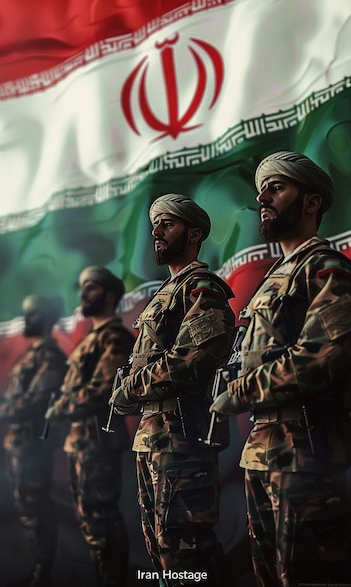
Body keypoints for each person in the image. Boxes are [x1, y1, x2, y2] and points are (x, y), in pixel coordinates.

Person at [211, 151, 351, 587]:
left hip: (305, 456)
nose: (263, 200)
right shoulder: (275, 277)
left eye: (276, 188)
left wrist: (237, 393)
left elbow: (319, 359)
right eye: (260, 193)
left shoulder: (326, 269)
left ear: (312, 203)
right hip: (262, 453)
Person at [110, 193, 236, 587]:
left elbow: (193, 360)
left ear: (194, 232)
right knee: (161, 548)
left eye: (168, 224)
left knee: (187, 550)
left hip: (182, 439)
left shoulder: (202, 288)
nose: (156, 232)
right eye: (155, 225)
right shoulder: (162, 296)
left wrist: (130, 389)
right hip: (154, 438)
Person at [45, 266, 135, 587]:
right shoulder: (92, 339)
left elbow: (103, 389)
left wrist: (60, 407)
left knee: (102, 522)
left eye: (91, 288)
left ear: (110, 296)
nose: (83, 295)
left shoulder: (115, 337)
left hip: (99, 441)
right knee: (90, 522)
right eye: (83, 288)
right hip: (81, 443)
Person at [0, 295, 67, 587]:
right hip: (19, 445)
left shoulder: (50, 357)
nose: (26, 320)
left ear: (47, 318)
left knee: (35, 508)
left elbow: (35, 402)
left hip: (33, 445)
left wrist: (3, 409)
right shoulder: (32, 355)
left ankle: (44, 572)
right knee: (27, 509)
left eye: (33, 314)